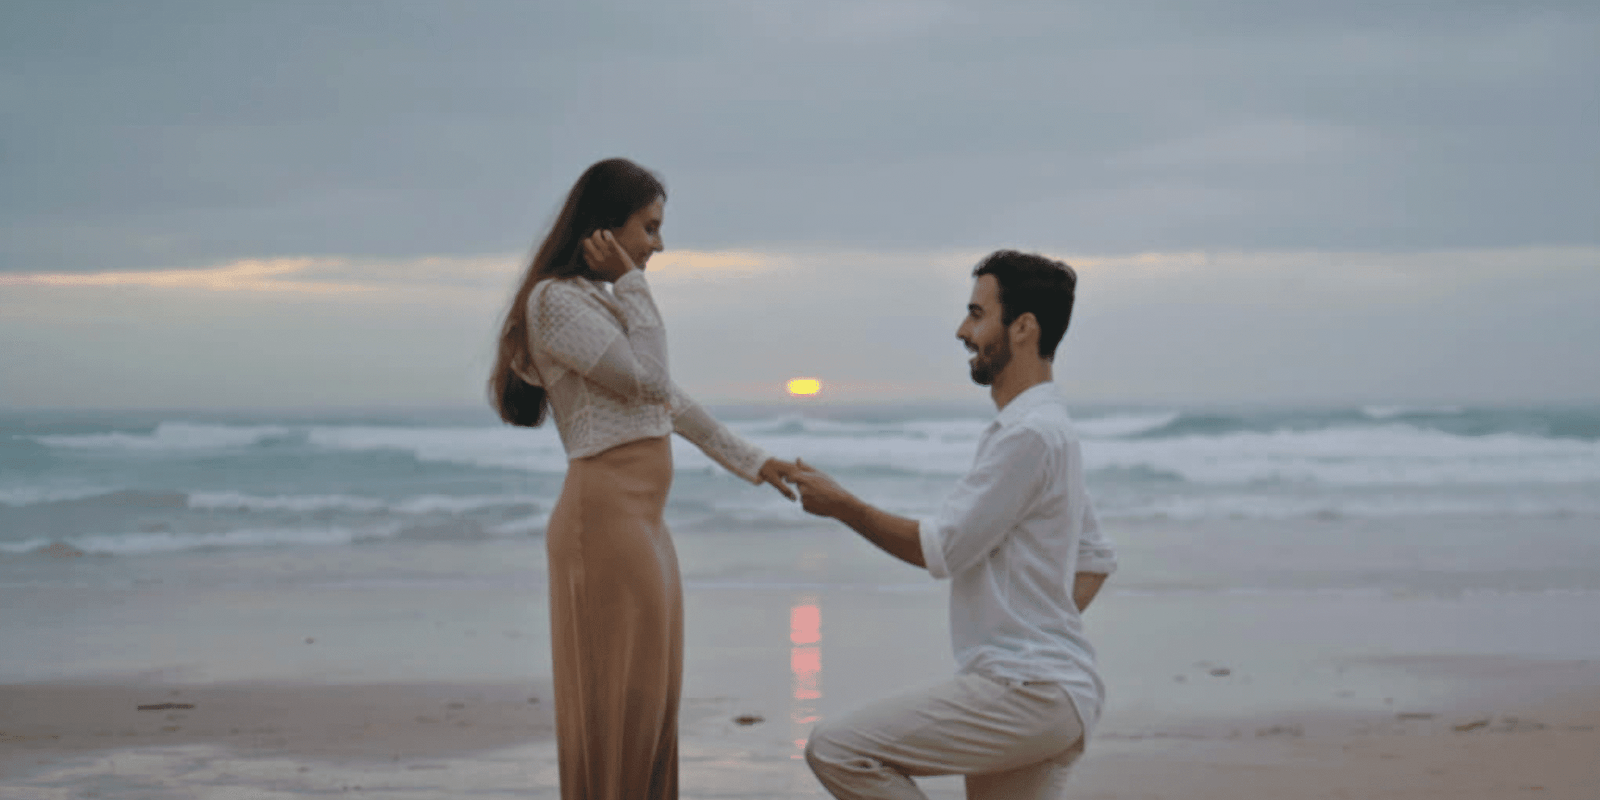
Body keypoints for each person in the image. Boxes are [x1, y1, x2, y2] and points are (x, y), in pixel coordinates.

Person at [488, 157, 798, 800]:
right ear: (605, 229)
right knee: (621, 702)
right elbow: (649, 377)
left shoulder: (593, 304)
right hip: (603, 520)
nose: (658, 244)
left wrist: (752, 461)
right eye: (649, 228)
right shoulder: (554, 303)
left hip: (643, 523)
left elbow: (667, 402)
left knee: (654, 699)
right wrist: (633, 284)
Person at [789, 250, 1118, 799]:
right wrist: (1039, 627)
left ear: (1023, 328)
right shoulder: (1049, 429)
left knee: (839, 748)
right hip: (1052, 695)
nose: (962, 330)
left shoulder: (1029, 438)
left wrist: (844, 506)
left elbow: (940, 550)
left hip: (1029, 693)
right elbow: (1096, 561)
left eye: (976, 314)